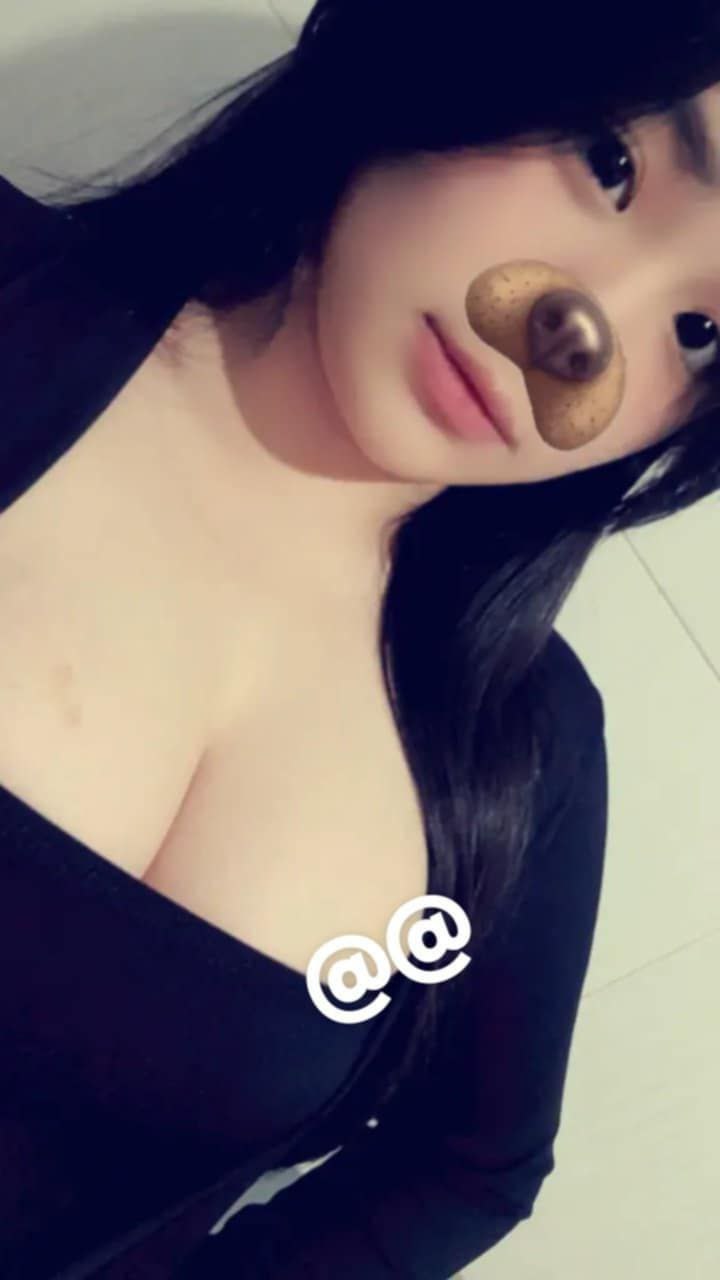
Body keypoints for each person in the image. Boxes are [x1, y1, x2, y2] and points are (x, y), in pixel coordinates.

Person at [1, 1, 719, 1276]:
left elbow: (471, 1166)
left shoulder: (521, 746)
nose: (582, 329)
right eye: (610, 160)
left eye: (702, 332)